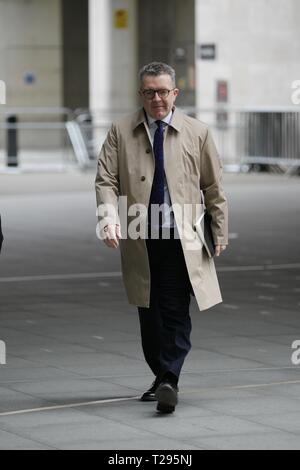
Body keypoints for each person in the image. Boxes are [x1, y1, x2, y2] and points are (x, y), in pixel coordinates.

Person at [95, 62, 228, 414]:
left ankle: (170, 378)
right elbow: (106, 180)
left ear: (175, 93)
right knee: (148, 312)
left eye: (163, 91)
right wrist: (109, 219)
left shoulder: (196, 132)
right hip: (140, 234)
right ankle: (162, 376)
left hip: (181, 237)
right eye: (149, 92)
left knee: (174, 310)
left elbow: (213, 186)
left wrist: (220, 229)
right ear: (141, 94)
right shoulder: (121, 131)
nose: (157, 98)